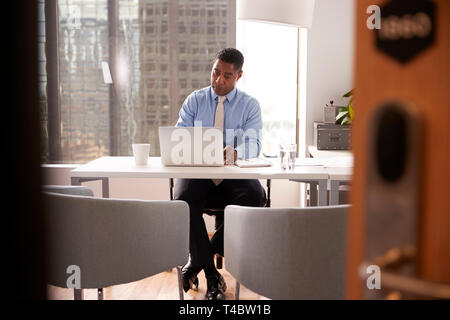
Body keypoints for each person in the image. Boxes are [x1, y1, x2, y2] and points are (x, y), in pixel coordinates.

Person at [174, 48, 266, 300]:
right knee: (182, 198)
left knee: (256, 197)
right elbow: (179, 136)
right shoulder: (195, 100)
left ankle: (196, 262)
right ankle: (213, 276)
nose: (218, 80)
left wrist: (235, 152)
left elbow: (255, 144)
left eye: (227, 76)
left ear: (238, 76)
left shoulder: (249, 105)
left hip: (232, 174)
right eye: (216, 72)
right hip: (199, 172)